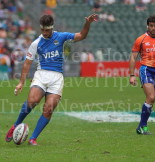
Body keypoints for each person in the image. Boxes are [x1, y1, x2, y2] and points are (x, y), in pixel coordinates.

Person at [6, 14, 98, 145]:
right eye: (42, 30)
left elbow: (82, 35)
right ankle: (15, 125)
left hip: (57, 78)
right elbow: (27, 63)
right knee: (32, 101)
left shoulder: (61, 37)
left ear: (52, 28)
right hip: (41, 75)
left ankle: (33, 139)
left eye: (46, 30)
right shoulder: (36, 43)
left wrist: (87, 23)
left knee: (48, 109)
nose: (44, 33)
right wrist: (21, 82)